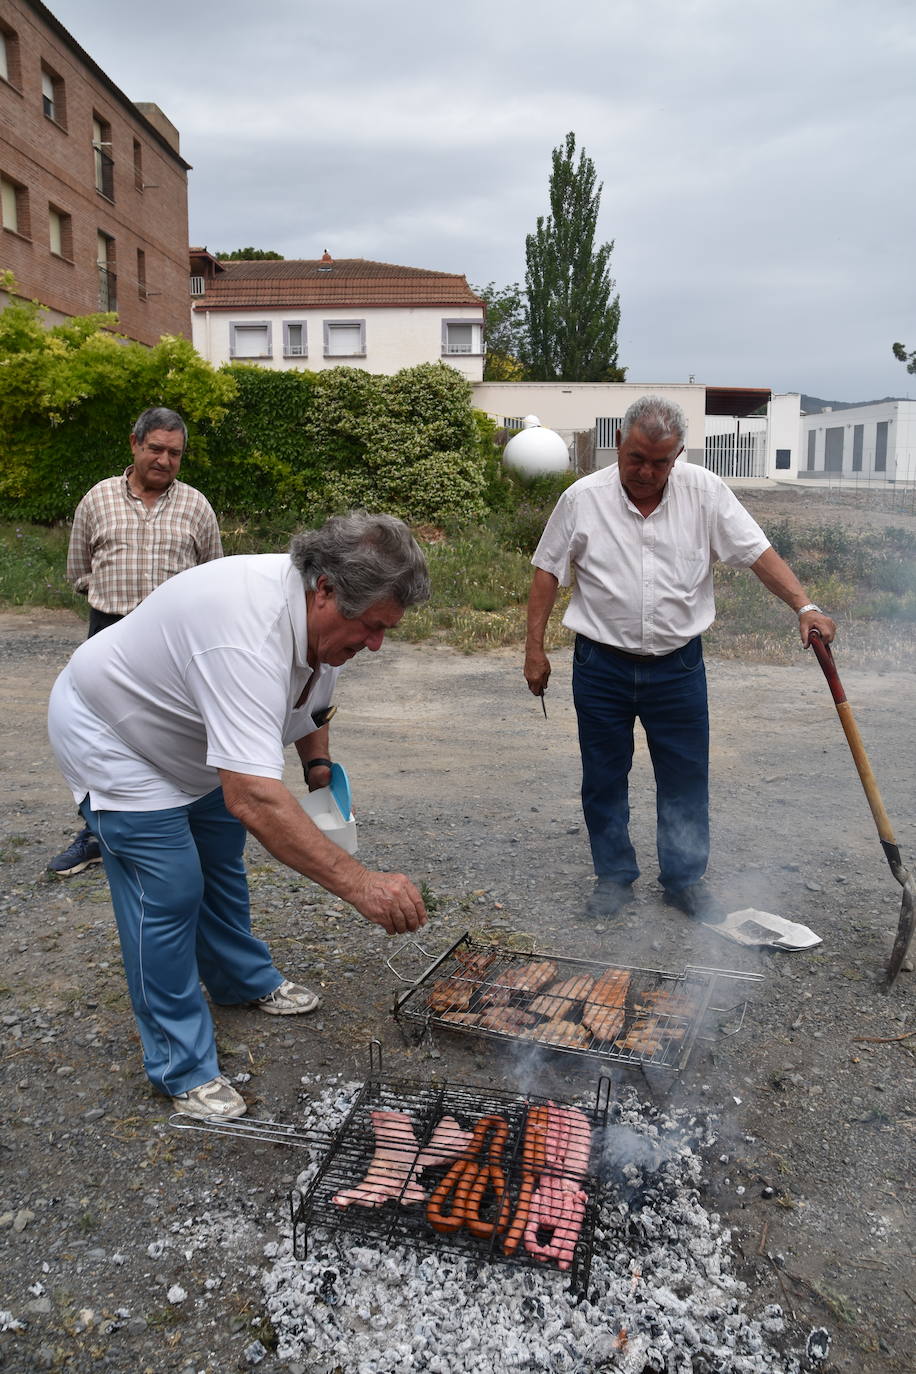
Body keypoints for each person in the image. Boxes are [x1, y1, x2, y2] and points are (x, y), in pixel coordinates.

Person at [48, 512, 430, 1121]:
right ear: (325, 588)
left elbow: (311, 707)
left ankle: (238, 979)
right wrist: (362, 885)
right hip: (114, 737)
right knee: (169, 886)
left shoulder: (323, 622)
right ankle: (180, 1065)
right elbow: (252, 796)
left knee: (221, 855)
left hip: (193, 744)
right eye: (373, 626)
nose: (378, 643)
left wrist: (318, 772)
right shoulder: (245, 630)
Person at [524, 395, 836, 922]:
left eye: (660, 462)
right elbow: (546, 571)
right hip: (601, 665)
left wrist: (804, 605)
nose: (646, 472)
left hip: (678, 667)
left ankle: (684, 881)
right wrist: (533, 650)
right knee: (603, 775)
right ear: (618, 445)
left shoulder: (706, 492)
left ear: (679, 455)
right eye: (636, 459)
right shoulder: (582, 498)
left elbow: (756, 551)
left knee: (685, 778)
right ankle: (614, 878)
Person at [48, 406, 223, 876]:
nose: (164, 460)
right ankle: (94, 832)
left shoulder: (196, 506)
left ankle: (178, 819)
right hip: (108, 629)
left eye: (175, 453)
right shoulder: (98, 499)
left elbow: (212, 576)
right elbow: (77, 570)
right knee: (100, 735)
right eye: (156, 449)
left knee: (179, 729)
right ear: (134, 444)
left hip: (174, 643)